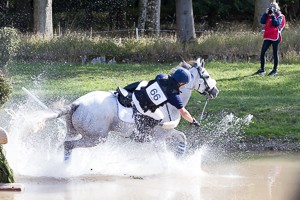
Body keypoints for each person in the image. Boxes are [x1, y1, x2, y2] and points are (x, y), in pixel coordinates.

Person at [130, 68, 200, 143]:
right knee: (160, 117)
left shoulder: (162, 76)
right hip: (141, 107)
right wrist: (192, 121)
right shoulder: (174, 95)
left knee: (144, 83)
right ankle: (142, 133)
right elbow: (183, 112)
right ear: (181, 83)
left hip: (136, 96)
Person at [255, 1, 285, 76]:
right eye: (271, 7)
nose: (272, 8)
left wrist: (273, 15)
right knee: (263, 52)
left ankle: (274, 70)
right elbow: (262, 21)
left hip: (275, 36)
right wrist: (266, 13)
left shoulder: (280, 16)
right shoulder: (268, 15)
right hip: (268, 36)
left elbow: (276, 23)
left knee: (275, 53)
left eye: (274, 7)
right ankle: (262, 69)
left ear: (277, 8)